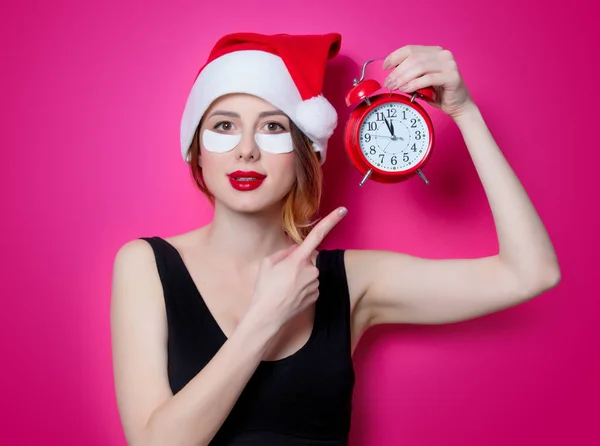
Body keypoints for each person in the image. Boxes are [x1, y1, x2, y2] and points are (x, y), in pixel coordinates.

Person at [110, 32, 561, 446]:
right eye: (224, 126)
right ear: (197, 151)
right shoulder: (146, 264)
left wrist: (465, 113)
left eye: (273, 127)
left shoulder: (353, 280)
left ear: (307, 153)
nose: (246, 149)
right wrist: (266, 317)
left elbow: (530, 273)